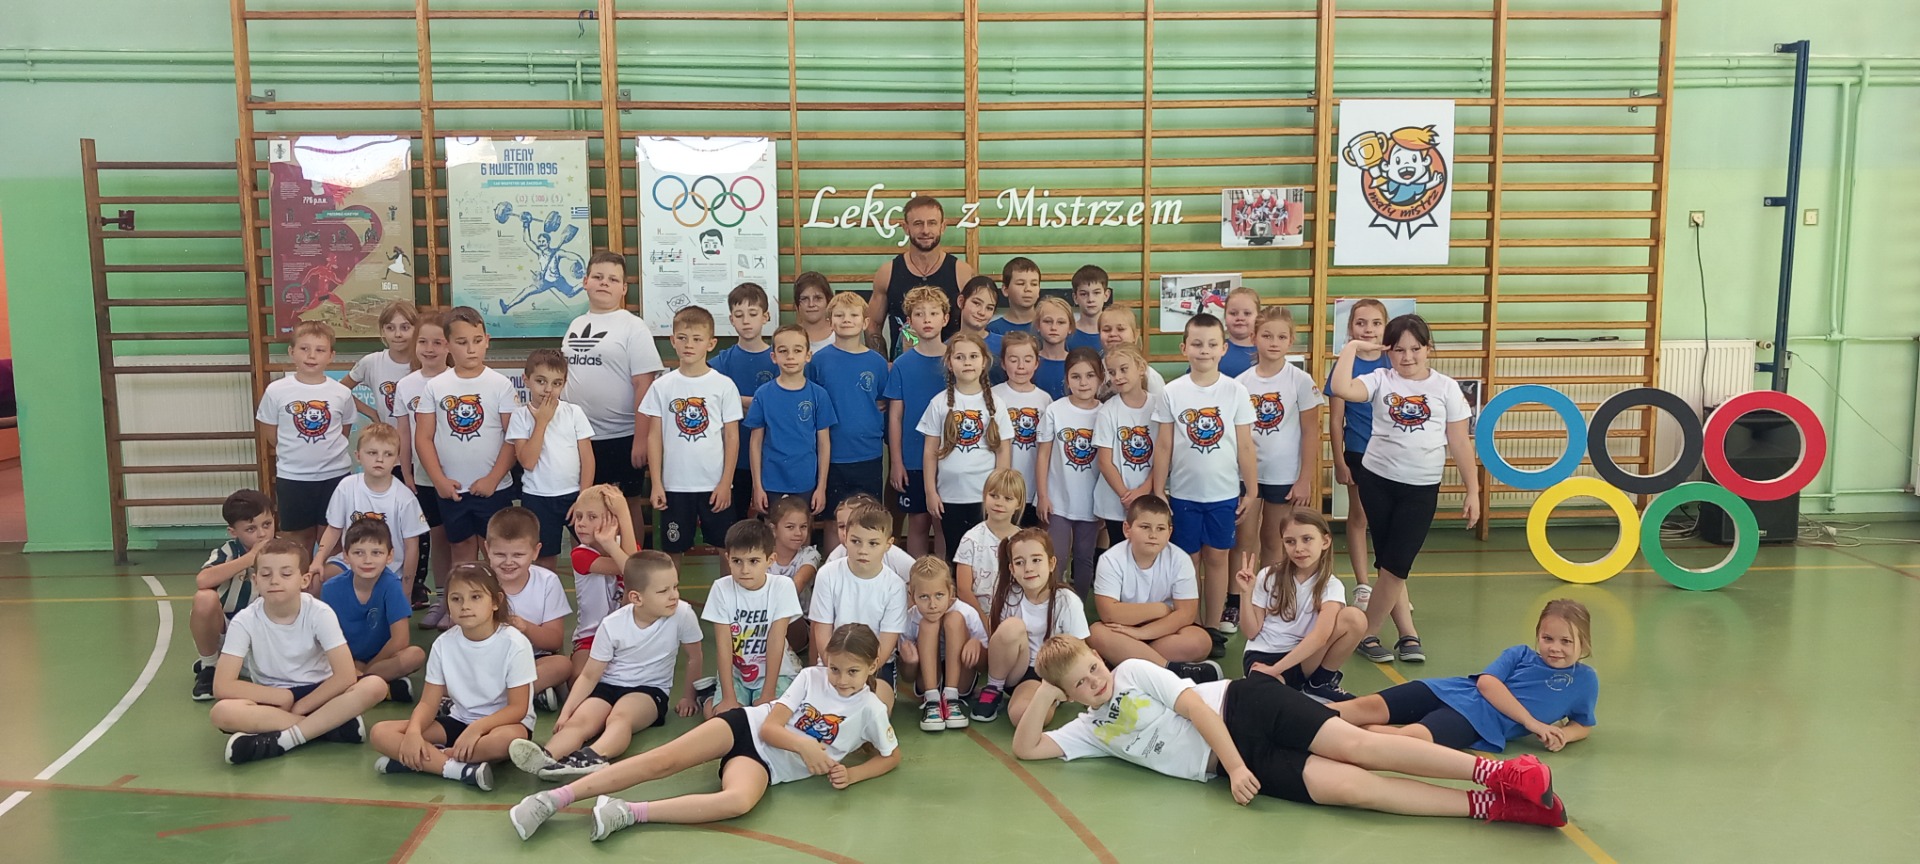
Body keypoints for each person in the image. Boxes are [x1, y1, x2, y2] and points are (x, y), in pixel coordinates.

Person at [1012, 635, 1568, 827]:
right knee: (1352, 789)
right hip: (1234, 764)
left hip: (1244, 709)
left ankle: (1502, 773)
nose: (1096, 681)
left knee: (1361, 747)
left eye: (1094, 667)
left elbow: (1198, 712)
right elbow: (1028, 748)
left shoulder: (1133, 671)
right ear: (1068, 695)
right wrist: (1046, 690)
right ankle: (1492, 807)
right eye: (1081, 683)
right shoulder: (1088, 729)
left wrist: (1235, 768)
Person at [507, 624, 899, 843]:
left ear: (873, 666)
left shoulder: (871, 709)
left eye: (852, 671)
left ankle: (626, 813)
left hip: (765, 766)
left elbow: (890, 755)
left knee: (738, 801)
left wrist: (853, 774)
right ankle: (551, 799)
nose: (841, 679)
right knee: (661, 760)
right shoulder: (812, 677)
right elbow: (770, 727)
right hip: (744, 726)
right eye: (835, 668)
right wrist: (804, 745)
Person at [1328, 313, 1480, 665]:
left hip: (1421, 488)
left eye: (1415, 349)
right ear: (1388, 351)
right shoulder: (1380, 379)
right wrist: (1352, 347)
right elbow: (1341, 388)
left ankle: (1365, 633)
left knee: (1397, 565)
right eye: (1398, 350)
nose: (1407, 357)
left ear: (1428, 348)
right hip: (1377, 482)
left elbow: (1459, 442)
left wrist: (1472, 490)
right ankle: (1406, 633)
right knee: (1390, 564)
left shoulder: (1446, 388)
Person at [508, 551, 703, 779]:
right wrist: (567, 712)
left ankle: (594, 756)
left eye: (675, 587)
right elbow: (590, 675)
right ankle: (547, 757)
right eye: (663, 591)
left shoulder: (682, 614)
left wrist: (688, 697)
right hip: (608, 685)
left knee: (620, 717)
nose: (674, 596)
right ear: (636, 598)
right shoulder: (613, 624)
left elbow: (695, 656)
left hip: (649, 691)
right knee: (580, 721)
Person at [1334, 600, 1597, 753]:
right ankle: (1315, 716)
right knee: (1366, 706)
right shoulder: (1520, 653)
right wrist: (1533, 723)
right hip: (1449, 690)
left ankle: (1334, 734)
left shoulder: (1585, 681)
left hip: (1477, 721)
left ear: (1583, 642)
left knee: (1412, 738)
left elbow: (1583, 723)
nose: (1555, 648)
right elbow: (1487, 683)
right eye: (1547, 638)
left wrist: (1564, 736)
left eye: (1566, 641)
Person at [211, 538, 388, 765]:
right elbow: (223, 685)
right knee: (221, 712)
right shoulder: (244, 620)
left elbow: (345, 676)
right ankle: (329, 726)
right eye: (265, 574)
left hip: (321, 693)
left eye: (286, 574)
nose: (275, 580)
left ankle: (287, 738)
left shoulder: (319, 613)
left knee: (375, 686)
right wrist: (282, 697)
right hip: (272, 697)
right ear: (255, 580)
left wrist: (302, 706)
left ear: (304, 580)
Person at [369, 562, 536, 791]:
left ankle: (422, 761)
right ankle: (458, 769)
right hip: (459, 720)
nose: (465, 606)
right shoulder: (443, 644)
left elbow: (518, 708)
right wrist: (414, 732)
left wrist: (476, 729)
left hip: (502, 725)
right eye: (456, 599)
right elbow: (428, 703)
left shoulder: (514, 643)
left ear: (496, 601)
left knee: (506, 741)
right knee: (381, 733)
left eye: (476, 597)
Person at [1152, 313, 1257, 655]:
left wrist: (1252, 489)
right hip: (1183, 494)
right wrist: (1159, 489)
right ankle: (1191, 624)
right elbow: (1164, 445)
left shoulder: (1235, 391)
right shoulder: (1171, 392)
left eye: (1212, 344)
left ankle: (1212, 628)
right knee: (1188, 561)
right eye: (1197, 344)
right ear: (1184, 347)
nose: (1204, 350)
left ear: (1224, 348)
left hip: (1223, 495)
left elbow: (1245, 445)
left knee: (1217, 558)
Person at [561, 251, 666, 524]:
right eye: (598, 277)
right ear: (585, 282)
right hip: (578, 436)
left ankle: (631, 553)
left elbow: (644, 384)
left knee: (624, 504)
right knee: (585, 503)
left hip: (621, 436)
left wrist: (640, 438)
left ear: (624, 289)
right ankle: (588, 554)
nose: (604, 283)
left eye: (613, 279)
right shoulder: (576, 324)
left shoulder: (634, 327)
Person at [1232, 305, 1323, 619]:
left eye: (1282, 337)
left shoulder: (1300, 380)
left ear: (1291, 341)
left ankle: (1270, 596)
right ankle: (1237, 601)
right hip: (1247, 474)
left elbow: (1311, 431)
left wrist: (1305, 478)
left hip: (1283, 474)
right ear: (1254, 338)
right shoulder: (1241, 383)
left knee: (1274, 539)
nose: (1274, 342)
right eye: (1267, 335)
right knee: (1244, 540)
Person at [415, 306, 522, 574]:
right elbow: (423, 438)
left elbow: (513, 438)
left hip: (494, 488)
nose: (471, 349)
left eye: (477, 341)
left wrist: (493, 479)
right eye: (462, 342)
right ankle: (465, 600)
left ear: (487, 340)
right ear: (448, 345)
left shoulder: (501, 385)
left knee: (497, 551)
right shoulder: (435, 386)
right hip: (453, 489)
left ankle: (500, 599)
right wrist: (439, 481)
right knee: (461, 549)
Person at [1325, 299, 1408, 631]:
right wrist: (1339, 460)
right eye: (1361, 323)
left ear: (1385, 327)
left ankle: (1394, 587)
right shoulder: (1345, 365)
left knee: (1395, 524)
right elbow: (1335, 420)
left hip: (1395, 455)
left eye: (1376, 323)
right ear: (1351, 328)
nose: (1369, 329)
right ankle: (1362, 584)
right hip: (1360, 453)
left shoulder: (1394, 362)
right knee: (1359, 517)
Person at [640, 306, 744, 564]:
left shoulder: (723, 385)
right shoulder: (662, 386)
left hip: (714, 485)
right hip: (675, 486)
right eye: (683, 338)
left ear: (711, 343)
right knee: (672, 550)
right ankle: (670, 593)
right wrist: (657, 483)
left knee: (726, 548)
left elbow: (732, 438)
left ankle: (728, 593)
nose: (689, 345)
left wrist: (726, 483)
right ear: (672, 340)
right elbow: (654, 437)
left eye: (697, 339)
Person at [1235, 509, 1366, 703]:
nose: (1298, 548)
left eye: (1307, 539)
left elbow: (1320, 637)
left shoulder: (1331, 586)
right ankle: (1282, 689)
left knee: (1354, 618)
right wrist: (1245, 594)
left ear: (1325, 541)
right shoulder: (1268, 575)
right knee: (1271, 700)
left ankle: (1319, 684)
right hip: (1263, 655)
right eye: (1290, 541)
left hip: (1302, 658)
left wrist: (1276, 670)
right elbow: (1251, 632)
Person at [1086, 495, 1221, 681]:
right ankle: (1171, 669)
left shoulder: (1180, 560)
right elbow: (1109, 613)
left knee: (1201, 641)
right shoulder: (1110, 559)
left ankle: (1123, 659)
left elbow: (1186, 614)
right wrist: (1160, 609)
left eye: (1160, 528)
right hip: (1123, 630)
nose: (1153, 535)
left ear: (1169, 532)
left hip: (1163, 631)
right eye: (1145, 527)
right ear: (1127, 529)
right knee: (1096, 633)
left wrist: (1141, 634)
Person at [255, 320, 355, 558]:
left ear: (331, 356)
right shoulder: (276, 391)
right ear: (291, 352)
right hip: (294, 478)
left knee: (332, 540)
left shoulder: (341, 393)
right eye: (304, 349)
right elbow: (271, 433)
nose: (312, 356)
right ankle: (300, 581)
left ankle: (327, 581)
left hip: (335, 477)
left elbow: (344, 430)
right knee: (297, 542)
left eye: (320, 350)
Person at [971, 528, 1089, 725]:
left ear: (1051, 563)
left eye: (1036, 560)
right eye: (1020, 562)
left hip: (1051, 673)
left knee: (1021, 715)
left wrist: (1079, 685)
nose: (1028, 568)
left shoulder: (1067, 600)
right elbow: (998, 642)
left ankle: (1052, 696)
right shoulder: (1010, 596)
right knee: (1011, 627)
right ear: (1012, 569)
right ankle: (993, 689)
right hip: (1018, 670)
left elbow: (1080, 649)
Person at [917, 332, 1014, 555]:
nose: (967, 362)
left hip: (985, 497)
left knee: (987, 553)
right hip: (950, 496)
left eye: (973, 356)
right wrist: (931, 492)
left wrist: (999, 494)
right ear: (949, 363)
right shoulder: (939, 403)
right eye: (960, 357)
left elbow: (1003, 451)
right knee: (956, 553)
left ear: (984, 362)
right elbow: (930, 451)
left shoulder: (996, 404)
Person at [809, 290, 890, 553]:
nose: (846, 319)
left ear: (865, 322)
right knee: (834, 521)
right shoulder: (819, 361)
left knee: (869, 521)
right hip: (831, 456)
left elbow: (882, 402)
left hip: (868, 454)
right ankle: (833, 570)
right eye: (839, 315)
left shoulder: (877, 363)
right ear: (830, 321)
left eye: (853, 315)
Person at [695, 520, 803, 718]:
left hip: (777, 673)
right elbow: (724, 645)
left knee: (774, 718)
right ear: (727, 559)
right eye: (737, 561)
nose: (744, 569)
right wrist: (728, 697)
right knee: (722, 718)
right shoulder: (721, 588)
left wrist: (768, 693)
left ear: (770, 560)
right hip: (737, 675)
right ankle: (710, 696)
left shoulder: (782, 586)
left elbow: (776, 641)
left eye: (753, 561)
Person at [310, 422, 429, 596]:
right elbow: (334, 529)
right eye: (372, 453)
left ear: (396, 459)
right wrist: (318, 560)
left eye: (388, 454)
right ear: (358, 455)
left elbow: (412, 548)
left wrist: (406, 592)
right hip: (349, 564)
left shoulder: (405, 498)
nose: (379, 459)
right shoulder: (346, 487)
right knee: (314, 581)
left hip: (388, 569)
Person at [319, 518, 426, 703]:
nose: (367, 560)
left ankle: (357, 683)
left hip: (381, 659)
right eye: (358, 553)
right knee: (321, 663)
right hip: (345, 658)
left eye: (376, 553)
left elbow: (400, 640)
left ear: (390, 556)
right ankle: (384, 689)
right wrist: (350, 665)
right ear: (345, 556)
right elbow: (324, 639)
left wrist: (366, 669)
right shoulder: (330, 589)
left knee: (415, 655)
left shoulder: (391, 585)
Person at [808, 507, 908, 704]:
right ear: (845, 538)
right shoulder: (827, 575)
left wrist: (861, 674)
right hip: (833, 662)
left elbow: (887, 642)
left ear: (888, 545)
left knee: (877, 707)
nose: (863, 550)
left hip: (875, 666)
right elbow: (822, 629)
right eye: (856, 541)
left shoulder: (895, 586)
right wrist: (836, 669)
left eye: (873, 543)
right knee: (819, 709)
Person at [509, 348, 596, 571]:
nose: (548, 389)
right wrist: (542, 422)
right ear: (526, 380)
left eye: (556, 383)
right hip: (538, 498)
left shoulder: (574, 412)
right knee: (544, 559)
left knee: (588, 552)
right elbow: (528, 462)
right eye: (541, 381)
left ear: (564, 384)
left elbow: (587, 459)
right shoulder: (520, 416)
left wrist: (584, 497)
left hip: (574, 495)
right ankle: (548, 595)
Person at [393, 312, 453, 621]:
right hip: (425, 477)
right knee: (438, 537)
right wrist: (406, 472)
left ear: (449, 346)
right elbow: (404, 433)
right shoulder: (406, 385)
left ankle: (461, 600)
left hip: (458, 476)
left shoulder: (457, 380)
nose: (429, 349)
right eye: (423, 342)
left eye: (437, 342)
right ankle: (442, 600)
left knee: (462, 541)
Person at [189, 489, 277, 700]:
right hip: (230, 630)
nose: (262, 534)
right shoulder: (228, 552)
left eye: (267, 524)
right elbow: (203, 580)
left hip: (270, 632)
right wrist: (249, 559)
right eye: (251, 529)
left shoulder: (286, 550)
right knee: (204, 598)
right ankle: (210, 667)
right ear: (233, 532)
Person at [883, 285, 951, 557]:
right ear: (910, 321)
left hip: (949, 458)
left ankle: (943, 576)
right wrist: (896, 462)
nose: (927, 319)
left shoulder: (956, 360)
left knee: (943, 522)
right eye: (920, 314)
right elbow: (895, 416)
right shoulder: (902, 364)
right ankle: (917, 576)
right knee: (919, 521)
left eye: (933, 313)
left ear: (945, 318)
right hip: (912, 459)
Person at [485, 507, 574, 711]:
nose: (508, 562)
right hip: (488, 659)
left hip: (533, 660)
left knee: (562, 665)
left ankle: (490, 699)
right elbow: (457, 632)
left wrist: (525, 627)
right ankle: (528, 695)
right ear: (487, 549)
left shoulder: (547, 581)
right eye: (499, 554)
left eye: (518, 554)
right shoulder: (478, 581)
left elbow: (554, 641)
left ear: (535, 551)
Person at [747, 325, 838, 515]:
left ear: (808, 355)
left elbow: (824, 443)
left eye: (797, 350)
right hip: (771, 482)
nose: (790, 357)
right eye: (783, 351)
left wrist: (821, 487)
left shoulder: (819, 395)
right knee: (774, 529)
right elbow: (755, 443)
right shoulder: (763, 395)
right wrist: (757, 486)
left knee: (801, 529)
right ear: (774, 357)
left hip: (806, 481)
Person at [1034, 347, 1105, 593]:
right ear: (1066, 379)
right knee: (1057, 558)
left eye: (1090, 376)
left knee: (1084, 559)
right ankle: (1054, 606)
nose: (1083, 383)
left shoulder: (1105, 412)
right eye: (1076, 376)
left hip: (1091, 502)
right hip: (1058, 501)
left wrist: (1104, 503)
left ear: (1100, 378)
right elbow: (1043, 455)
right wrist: (1042, 496)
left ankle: (1079, 608)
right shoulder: (1055, 410)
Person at [866, 195, 975, 353]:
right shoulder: (887, 273)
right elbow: (873, 325)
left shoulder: (962, 272)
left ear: (943, 227)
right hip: (903, 365)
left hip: (949, 365)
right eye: (918, 224)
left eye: (932, 223)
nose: (925, 230)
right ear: (906, 228)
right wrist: (881, 362)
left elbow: (974, 326)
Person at [713, 281, 779, 520]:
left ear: (766, 317)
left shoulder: (779, 358)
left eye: (753, 313)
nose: (746, 321)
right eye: (739, 315)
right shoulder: (721, 361)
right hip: (734, 458)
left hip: (772, 456)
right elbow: (713, 400)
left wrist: (737, 400)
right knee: (736, 523)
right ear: (731, 319)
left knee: (772, 523)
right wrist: (760, 403)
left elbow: (781, 403)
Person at [901, 557, 987, 731]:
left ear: (951, 591)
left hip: (961, 681)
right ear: (912, 596)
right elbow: (907, 677)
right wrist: (910, 662)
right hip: (927, 682)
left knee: (954, 620)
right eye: (924, 597)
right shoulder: (910, 618)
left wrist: (976, 646)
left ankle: (951, 699)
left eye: (939, 595)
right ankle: (932, 701)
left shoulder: (966, 612)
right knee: (928, 624)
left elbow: (985, 666)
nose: (932, 604)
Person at [567, 485, 639, 678]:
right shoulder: (580, 554)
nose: (581, 524)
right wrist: (610, 543)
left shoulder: (625, 548)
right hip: (591, 637)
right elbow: (629, 568)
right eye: (579, 516)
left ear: (613, 521)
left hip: (626, 634)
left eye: (592, 517)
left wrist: (623, 514)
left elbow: (635, 574)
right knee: (581, 679)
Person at [1094, 344, 1161, 545]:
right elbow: (1104, 462)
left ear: (1141, 368)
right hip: (1116, 502)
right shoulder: (1108, 411)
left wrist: (1144, 490)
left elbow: (1164, 454)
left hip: (1148, 497)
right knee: (1120, 549)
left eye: (1124, 369)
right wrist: (1126, 496)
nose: (1118, 377)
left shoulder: (1159, 406)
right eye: (1112, 372)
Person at [991, 331, 1052, 524]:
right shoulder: (993, 396)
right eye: (1013, 360)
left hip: (1032, 487)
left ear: (1036, 363)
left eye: (1027, 360)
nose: (1021, 366)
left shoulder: (1045, 400)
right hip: (1000, 488)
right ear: (1003, 363)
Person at [953, 468, 1026, 618]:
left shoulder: (1025, 541)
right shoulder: (971, 539)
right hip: (977, 615)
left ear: (1018, 504)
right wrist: (985, 623)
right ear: (984, 496)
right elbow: (963, 589)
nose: (999, 503)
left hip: (1015, 616)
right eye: (993, 496)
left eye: (1008, 498)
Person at [341, 300, 419, 424]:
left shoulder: (425, 362)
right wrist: (371, 412)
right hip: (388, 435)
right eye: (390, 328)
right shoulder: (371, 362)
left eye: (405, 328)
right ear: (383, 330)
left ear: (416, 329)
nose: (398, 334)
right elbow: (341, 389)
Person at [764, 496, 823, 658]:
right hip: (765, 620)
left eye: (803, 527)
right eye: (790, 527)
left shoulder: (810, 555)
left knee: (787, 612)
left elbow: (798, 583)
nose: (798, 533)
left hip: (798, 625)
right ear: (774, 529)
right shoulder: (762, 556)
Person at [1094, 308, 1166, 398]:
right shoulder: (1095, 371)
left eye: (1120, 329)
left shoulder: (1150, 376)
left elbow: (1160, 404)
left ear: (1135, 335)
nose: (1113, 334)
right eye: (1106, 330)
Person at [956, 275, 1006, 383]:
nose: (982, 312)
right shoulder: (948, 347)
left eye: (989, 308)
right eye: (976, 303)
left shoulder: (1004, 346)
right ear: (961, 301)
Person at [1032, 296, 1075, 399]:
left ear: (1070, 327)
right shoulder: (1029, 362)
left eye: (1061, 322)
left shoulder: (1076, 363)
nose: (1054, 327)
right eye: (1047, 321)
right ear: (1038, 325)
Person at [1215, 286, 1260, 378]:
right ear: (1225, 317)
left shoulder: (1265, 351)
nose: (1240, 318)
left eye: (1247, 313)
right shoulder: (1214, 350)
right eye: (1233, 313)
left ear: (1258, 317)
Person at [988, 257, 1041, 335]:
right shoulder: (993, 330)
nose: (1028, 289)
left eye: (1034, 284)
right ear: (1005, 290)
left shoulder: (1049, 326)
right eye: (1020, 284)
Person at [1066, 265, 1110, 353]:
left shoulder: (1114, 334)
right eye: (1083, 294)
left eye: (1096, 293)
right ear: (1075, 298)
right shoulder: (1067, 334)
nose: (1090, 299)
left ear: (1106, 295)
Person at [792, 271, 837, 354]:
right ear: (797, 305)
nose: (811, 304)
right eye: (805, 299)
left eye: (818, 298)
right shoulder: (788, 337)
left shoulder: (840, 334)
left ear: (828, 301)